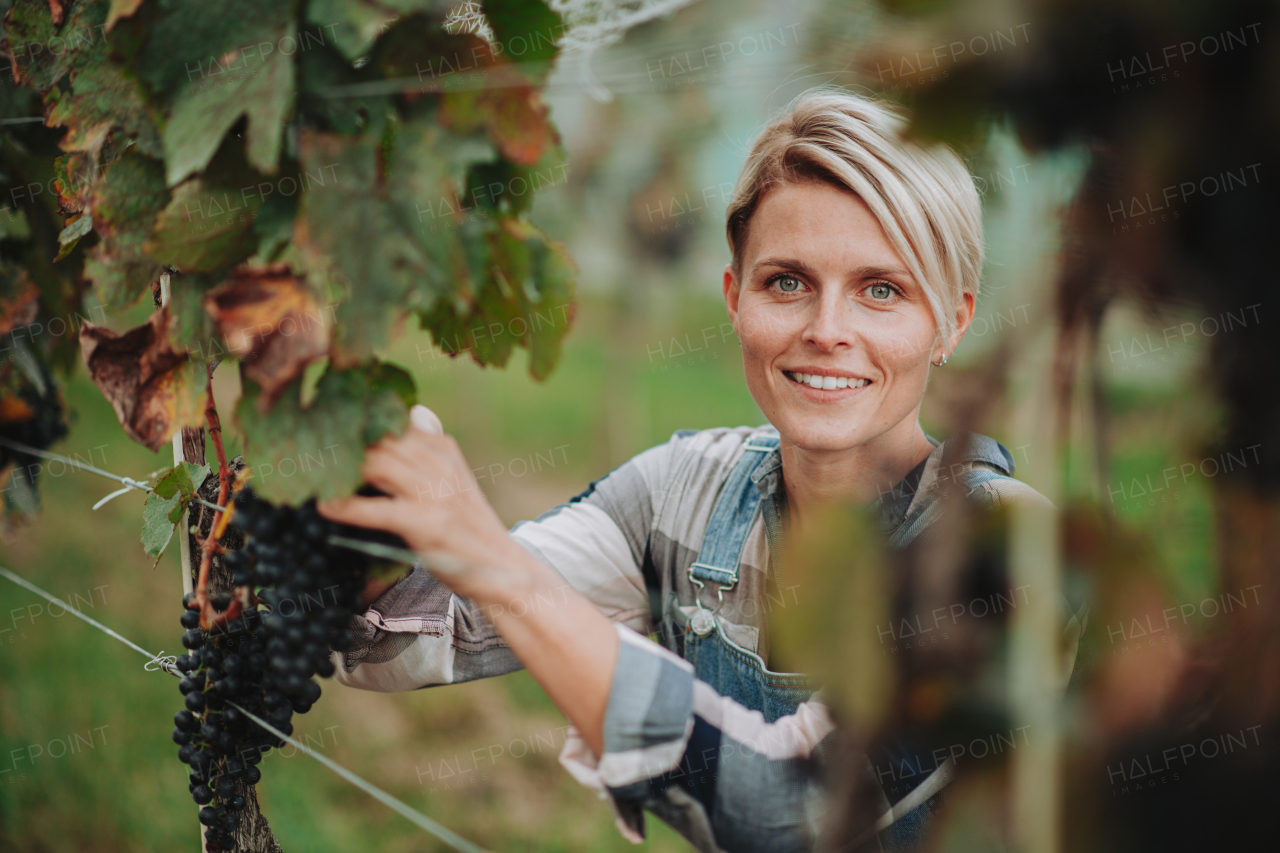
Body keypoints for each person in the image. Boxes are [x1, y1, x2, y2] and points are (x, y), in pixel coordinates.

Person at [317, 89, 1056, 852]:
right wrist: (344, 483)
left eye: (881, 290)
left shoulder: (1003, 552)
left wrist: (495, 562)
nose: (826, 331)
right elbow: (388, 643)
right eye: (788, 282)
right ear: (736, 297)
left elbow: (790, 813)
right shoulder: (682, 492)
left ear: (952, 322)